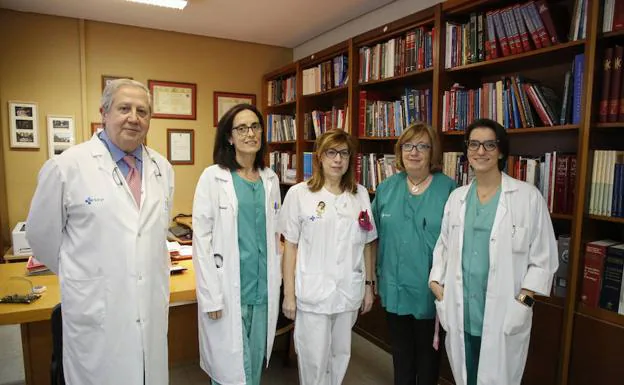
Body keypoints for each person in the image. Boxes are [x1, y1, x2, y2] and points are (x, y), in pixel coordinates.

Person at [26, 79, 175, 385]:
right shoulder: (67, 167)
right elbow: (42, 241)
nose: (134, 118)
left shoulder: (163, 168)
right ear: (104, 113)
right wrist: (87, 278)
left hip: (148, 307)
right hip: (96, 313)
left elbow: (153, 235)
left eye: (142, 111)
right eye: (124, 108)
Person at [428, 118, 558, 385]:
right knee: (466, 375)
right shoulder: (458, 197)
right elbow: (443, 245)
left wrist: (524, 301)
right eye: (474, 144)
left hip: (505, 313)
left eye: (489, 144)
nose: (481, 151)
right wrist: (436, 284)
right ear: (466, 151)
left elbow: (544, 259)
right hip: (461, 309)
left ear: (501, 151)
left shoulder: (527, 196)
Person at [192, 103, 282, 385]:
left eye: (255, 126)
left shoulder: (270, 179)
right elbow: (201, 240)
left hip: (262, 289)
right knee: (229, 370)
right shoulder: (213, 177)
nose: (250, 133)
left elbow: (275, 235)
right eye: (241, 128)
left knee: (253, 366)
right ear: (229, 137)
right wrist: (210, 295)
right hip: (228, 290)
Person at [279, 129, 377, 385]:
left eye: (344, 153)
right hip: (313, 293)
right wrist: (289, 294)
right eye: (331, 153)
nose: (338, 160)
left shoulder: (360, 194)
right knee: (313, 360)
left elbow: (367, 243)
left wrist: (368, 287)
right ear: (319, 157)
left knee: (340, 355)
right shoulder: (300, 194)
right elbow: (290, 246)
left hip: (347, 291)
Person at [371, 122, 456, 385]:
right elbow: (371, 235)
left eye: (422, 146)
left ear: (433, 152)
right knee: (401, 355)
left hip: (430, 291)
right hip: (394, 286)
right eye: (408, 145)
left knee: (429, 360)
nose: (414, 152)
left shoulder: (450, 190)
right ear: (400, 151)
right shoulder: (386, 188)